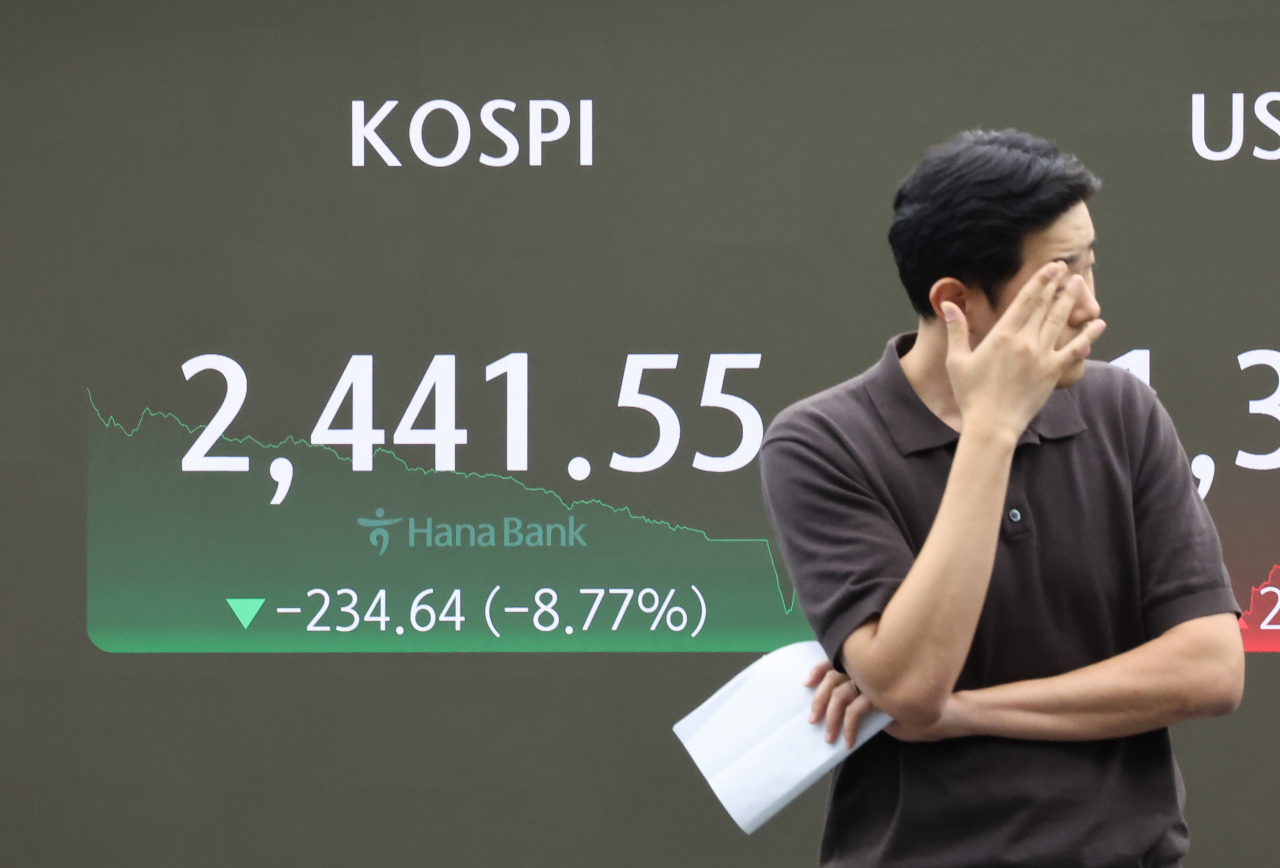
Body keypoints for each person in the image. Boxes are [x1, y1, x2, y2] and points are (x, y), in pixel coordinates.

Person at [758, 129, 1245, 868]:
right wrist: (991, 428)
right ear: (955, 301)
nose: (1091, 307)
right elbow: (913, 686)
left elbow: (1210, 669)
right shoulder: (822, 442)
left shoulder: (1123, 410)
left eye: (1090, 266)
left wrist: (966, 712)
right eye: (1059, 277)